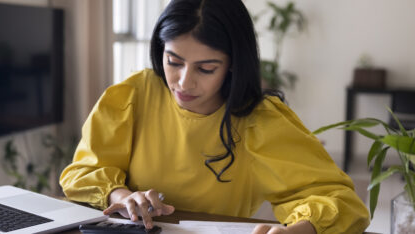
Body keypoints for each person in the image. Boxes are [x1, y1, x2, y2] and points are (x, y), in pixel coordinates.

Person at [59, 0, 370, 233]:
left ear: (234, 64)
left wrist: (301, 230)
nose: (184, 82)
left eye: (206, 69)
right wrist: (124, 195)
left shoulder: (260, 121)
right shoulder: (133, 95)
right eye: (173, 61)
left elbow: (342, 201)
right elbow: (82, 172)